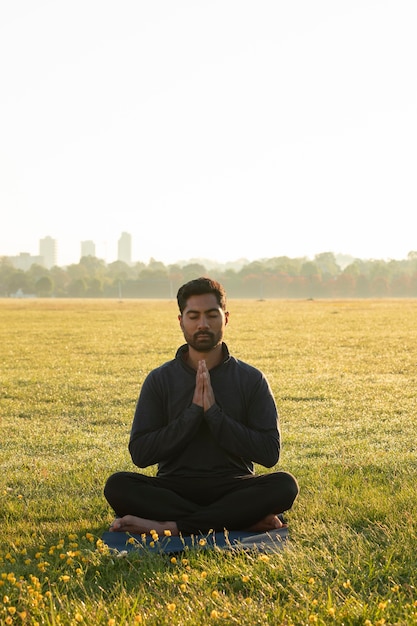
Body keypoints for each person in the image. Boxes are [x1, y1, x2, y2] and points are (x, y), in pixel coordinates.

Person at [104, 277, 298, 536]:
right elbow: (140, 454)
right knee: (117, 486)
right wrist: (194, 412)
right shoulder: (160, 380)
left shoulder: (251, 379)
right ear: (181, 321)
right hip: (173, 489)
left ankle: (170, 527)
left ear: (225, 318)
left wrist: (215, 415)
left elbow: (269, 453)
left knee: (285, 485)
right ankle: (238, 521)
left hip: (234, 486)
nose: (203, 324)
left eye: (211, 315)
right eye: (193, 316)